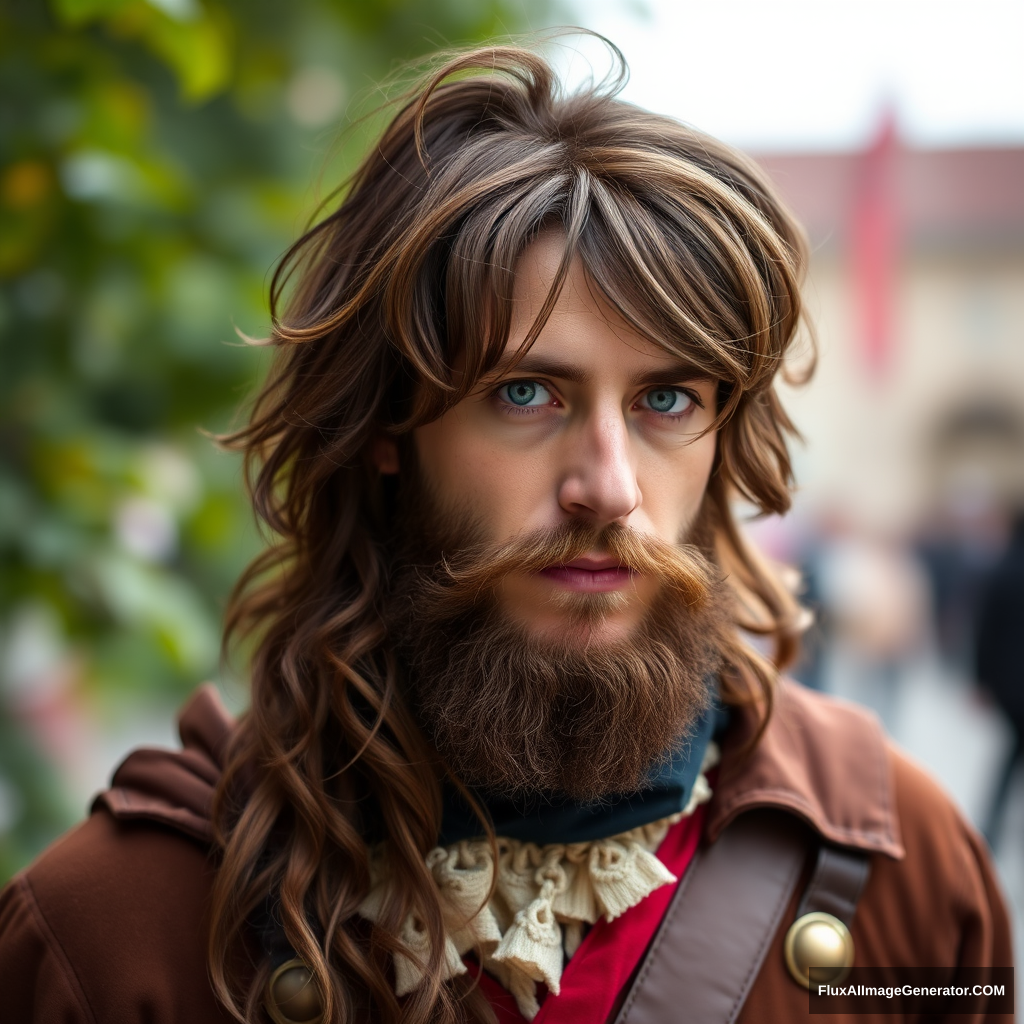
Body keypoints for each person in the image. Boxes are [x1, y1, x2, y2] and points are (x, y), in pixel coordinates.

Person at [0, 41, 1013, 1024]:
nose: (608, 488)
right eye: (525, 392)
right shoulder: (109, 933)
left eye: (666, 399)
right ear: (390, 426)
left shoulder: (906, 870)